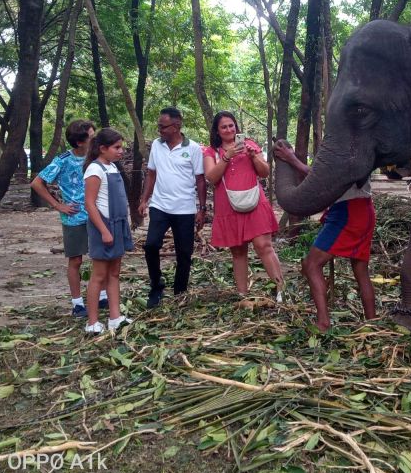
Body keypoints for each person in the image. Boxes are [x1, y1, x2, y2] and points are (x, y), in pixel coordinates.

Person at [274, 140, 376, 331]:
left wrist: (291, 158)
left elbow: (323, 179)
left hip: (348, 212)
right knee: (361, 271)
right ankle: (373, 323)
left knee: (311, 264)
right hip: (364, 209)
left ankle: (323, 323)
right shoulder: (361, 146)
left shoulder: (350, 148)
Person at [30, 119, 108, 317]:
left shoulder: (98, 157)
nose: (96, 139)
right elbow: (37, 183)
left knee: (100, 256)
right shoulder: (63, 160)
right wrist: (58, 205)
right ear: (80, 142)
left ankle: (102, 296)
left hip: (97, 214)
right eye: (92, 136)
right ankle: (77, 303)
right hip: (74, 217)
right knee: (75, 260)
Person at [203, 111, 283, 301]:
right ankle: (243, 295)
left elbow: (264, 172)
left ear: (236, 127)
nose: (229, 129)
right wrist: (227, 156)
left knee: (263, 245)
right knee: (238, 251)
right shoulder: (210, 152)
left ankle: (281, 290)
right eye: (224, 127)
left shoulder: (250, 144)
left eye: (231, 125)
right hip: (227, 206)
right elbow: (211, 177)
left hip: (255, 202)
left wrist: (254, 156)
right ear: (217, 130)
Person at [138, 107, 206, 308]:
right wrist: (144, 200)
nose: (159, 130)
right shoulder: (157, 147)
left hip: (185, 209)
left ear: (177, 126)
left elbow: (200, 180)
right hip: (160, 206)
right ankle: (156, 283)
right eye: (159, 126)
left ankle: (180, 292)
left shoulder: (193, 148)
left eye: (163, 126)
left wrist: (202, 209)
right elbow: (151, 174)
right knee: (151, 245)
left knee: (184, 253)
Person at [83, 128, 133, 333]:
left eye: (121, 147)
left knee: (114, 273)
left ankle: (115, 316)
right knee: (99, 275)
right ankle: (92, 322)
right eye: (116, 147)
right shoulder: (94, 170)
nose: (121, 151)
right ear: (102, 148)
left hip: (118, 224)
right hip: (103, 227)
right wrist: (104, 230)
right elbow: (90, 204)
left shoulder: (112, 167)